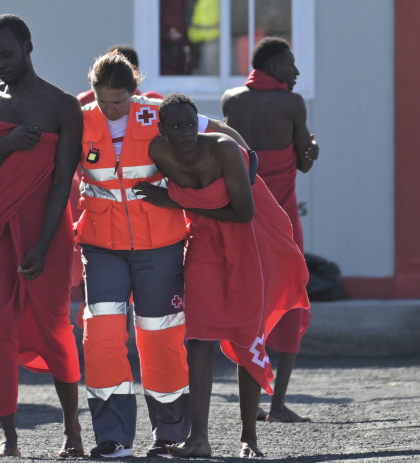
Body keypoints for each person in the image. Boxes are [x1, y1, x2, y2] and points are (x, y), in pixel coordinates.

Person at [75, 50, 248, 459]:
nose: (110, 107)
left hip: (162, 245)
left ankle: (168, 433)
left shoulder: (158, 114)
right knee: (101, 337)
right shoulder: (79, 118)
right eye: (103, 99)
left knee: (162, 337)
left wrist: (248, 162)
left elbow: (219, 132)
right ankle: (113, 438)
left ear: (134, 92)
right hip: (101, 246)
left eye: (119, 100)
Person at [134, 93, 310, 457]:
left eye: (190, 124)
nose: (184, 132)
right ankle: (199, 439)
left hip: (253, 239)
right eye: (176, 126)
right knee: (198, 337)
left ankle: (249, 437)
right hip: (204, 243)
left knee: (248, 335)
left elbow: (242, 213)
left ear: (198, 123)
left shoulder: (224, 148)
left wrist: (176, 200)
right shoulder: (158, 152)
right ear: (162, 129)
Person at [0, 14, 84, 458]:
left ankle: (72, 429)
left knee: (54, 328)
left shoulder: (62, 106)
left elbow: (62, 181)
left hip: (45, 233)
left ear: (28, 48)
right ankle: (9, 436)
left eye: (6, 54)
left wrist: (45, 240)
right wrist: (6, 145)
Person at [221, 36, 319, 423]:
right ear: (275, 68)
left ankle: (253, 400)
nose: (295, 73)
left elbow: (229, 153)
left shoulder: (232, 100)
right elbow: (304, 163)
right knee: (292, 295)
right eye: (291, 66)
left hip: (246, 215)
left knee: (250, 300)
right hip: (283, 218)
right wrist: (312, 149)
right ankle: (277, 405)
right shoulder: (291, 103)